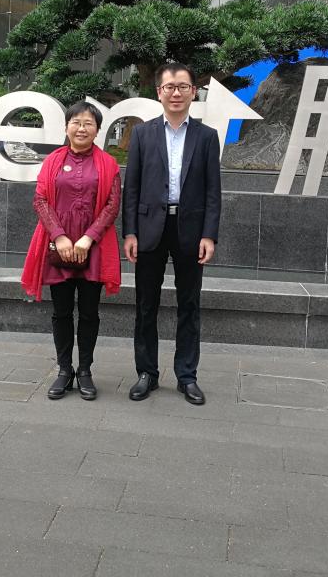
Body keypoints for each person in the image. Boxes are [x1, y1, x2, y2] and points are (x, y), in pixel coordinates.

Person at [123, 64, 221, 405]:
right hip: (149, 228)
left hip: (190, 229)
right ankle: (146, 373)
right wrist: (130, 232)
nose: (175, 93)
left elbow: (213, 191)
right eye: (169, 87)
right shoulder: (143, 134)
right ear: (159, 92)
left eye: (182, 86)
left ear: (193, 92)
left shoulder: (206, 136)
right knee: (145, 305)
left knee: (189, 305)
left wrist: (209, 235)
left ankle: (187, 376)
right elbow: (131, 188)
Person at [22, 101, 122, 401]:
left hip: (94, 248)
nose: (81, 128)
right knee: (62, 311)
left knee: (89, 313)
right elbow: (40, 200)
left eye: (88, 123)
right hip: (59, 248)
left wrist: (88, 238)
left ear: (97, 129)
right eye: (76, 122)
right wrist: (61, 237)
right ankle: (64, 370)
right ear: (66, 127)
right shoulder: (53, 161)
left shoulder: (108, 164)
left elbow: (112, 205)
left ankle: (85, 371)